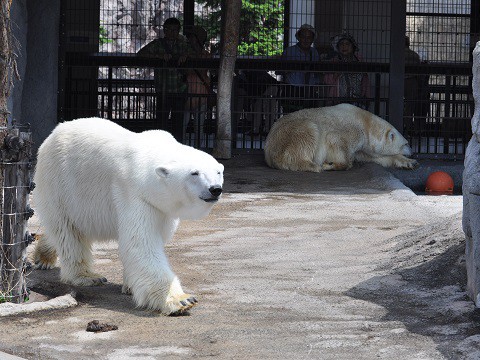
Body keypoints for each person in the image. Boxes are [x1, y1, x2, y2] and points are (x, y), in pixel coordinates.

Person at [138, 17, 192, 142]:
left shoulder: (183, 45)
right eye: (169, 29)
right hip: (163, 90)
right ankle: (161, 146)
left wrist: (186, 55)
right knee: (162, 123)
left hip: (178, 89)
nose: (171, 32)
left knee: (177, 122)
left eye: (174, 30)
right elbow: (141, 53)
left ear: (178, 31)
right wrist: (159, 56)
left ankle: (176, 146)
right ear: (164, 30)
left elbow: (195, 54)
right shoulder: (158, 44)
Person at [279, 23, 322, 113]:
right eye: (303, 36)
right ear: (298, 37)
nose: (306, 40)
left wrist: (316, 85)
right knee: (291, 117)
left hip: (310, 91)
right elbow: (280, 70)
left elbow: (318, 71)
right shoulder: (289, 51)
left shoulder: (315, 52)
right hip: (292, 89)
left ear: (313, 39)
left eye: (309, 37)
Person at [323, 33, 370, 110]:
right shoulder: (334, 61)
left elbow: (365, 81)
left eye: (347, 44)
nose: (344, 46)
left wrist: (367, 98)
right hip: (337, 103)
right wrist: (336, 74)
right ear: (338, 47)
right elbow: (327, 81)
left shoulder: (359, 60)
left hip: (357, 102)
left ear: (353, 46)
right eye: (341, 44)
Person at [184, 25, 213, 136]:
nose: (188, 39)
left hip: (197, 95)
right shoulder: (188, 55)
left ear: (197, 39)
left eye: (191, 37)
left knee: (196, 128)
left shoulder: (205, 55)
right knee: (194, 128)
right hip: (192, 95)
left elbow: (189, 71)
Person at [404, 36, 429, 132]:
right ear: (408, 43)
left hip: (398, 81)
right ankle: (409, 127)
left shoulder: (397, 54)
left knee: (396, 103)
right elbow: (419, 72)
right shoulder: (414, 55)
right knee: (410, 106)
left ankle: (398, 126)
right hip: (412, 82)